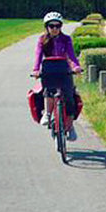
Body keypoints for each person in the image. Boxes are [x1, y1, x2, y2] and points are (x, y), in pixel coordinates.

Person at [30, 12, 82, 141]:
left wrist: (76, 67)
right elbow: (38, 56)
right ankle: (48, 114)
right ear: (46, 27)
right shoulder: (42, 40)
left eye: (57, 26)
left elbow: (71, 55)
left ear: (61, 27)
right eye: (51, 26)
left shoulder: (66, 39)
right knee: (48, 92)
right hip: (49, 70)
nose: (54, 29)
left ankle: (70, 127)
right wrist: (36, 70)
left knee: (70, 98)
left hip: (64, 70)